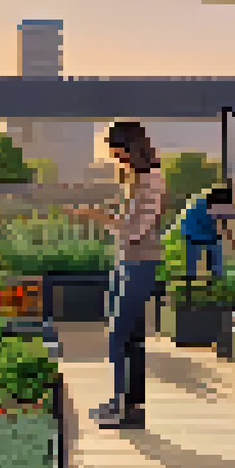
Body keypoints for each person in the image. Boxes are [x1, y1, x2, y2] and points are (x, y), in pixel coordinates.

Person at [67, 121, 166, 429]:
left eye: (119, 152)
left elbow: (137, 231)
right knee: (130, 338)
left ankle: (124, 406)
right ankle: (125, 404)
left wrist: (99, 216)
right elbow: (129, 224)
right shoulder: (137, 180)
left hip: (140, 263)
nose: (117, 158)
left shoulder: (152, 181)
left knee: (119, 336)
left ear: (132, 148)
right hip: (126, 262)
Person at [177, 183, 235, 278]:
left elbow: (224, 223)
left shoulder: (220, 206)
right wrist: (230, 238)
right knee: (195, 251)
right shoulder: (203, 206)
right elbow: (220, 227)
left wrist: (232, 238)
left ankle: (215, 275)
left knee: (214, 247)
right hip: (193, 230)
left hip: (206, 229)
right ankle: (191, 276)